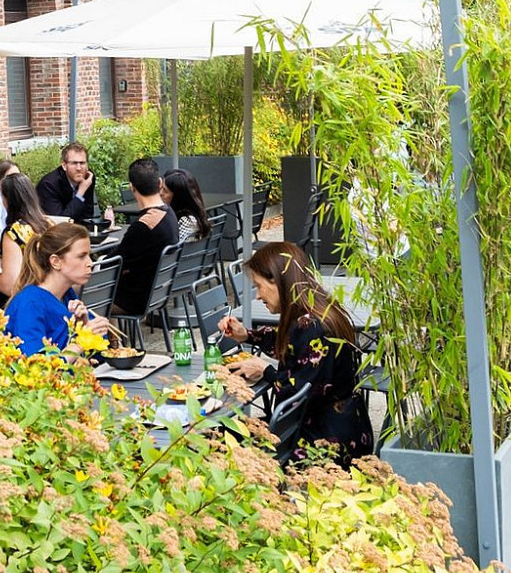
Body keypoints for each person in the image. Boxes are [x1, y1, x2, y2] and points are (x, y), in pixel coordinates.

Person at [218, 241, 374, 464]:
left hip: (323, 441)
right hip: (346, 427)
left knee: (219, 435)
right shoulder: (318, 308)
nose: (258, 296)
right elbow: (297, 351)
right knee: (230, 430)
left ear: (277, 281)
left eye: (259, 286)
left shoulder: (311, 326)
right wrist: (247, 335)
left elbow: (296, 393)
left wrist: (265, 370)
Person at [4, 222, 110, 357]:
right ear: (56, 262)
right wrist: (82, 341)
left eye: (89, 255)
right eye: (81, 256)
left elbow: (100, 355)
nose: (90, 263)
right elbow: (37, 364)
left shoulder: (67, 295)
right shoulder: (30, 303)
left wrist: (86, 326)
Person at [112, 158, 179, 315]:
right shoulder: (170, 214)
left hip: (135, 301)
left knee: (78, 294)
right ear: (160, 183)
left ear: (132, 187)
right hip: (157, 293)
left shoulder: (143, 226)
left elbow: (113, 262)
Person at [0, 173, 50, 298]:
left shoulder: (14, 233)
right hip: (53, 296)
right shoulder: (47, 223)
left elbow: (10, 286)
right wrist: (1, 245)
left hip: (31, 300)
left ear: (7, 199)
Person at [35, 142, 96, 223]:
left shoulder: (88, 178)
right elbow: (60, 223)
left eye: (82, 163)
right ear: (64, 165)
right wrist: (80, 193)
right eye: (74, 163)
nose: (79, 168)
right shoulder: (49, 185)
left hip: (77, 228)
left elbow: (87, 215)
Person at [160, 168, 211, 242]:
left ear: (177, 196)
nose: (160, 193)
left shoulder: (185, 221)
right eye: (161, 188)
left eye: (165, 190)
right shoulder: (194, 215)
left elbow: (176, 246)